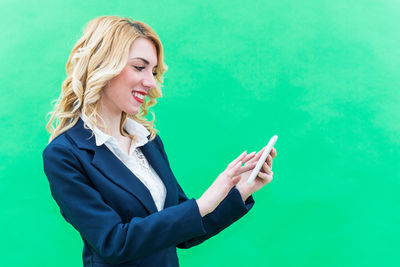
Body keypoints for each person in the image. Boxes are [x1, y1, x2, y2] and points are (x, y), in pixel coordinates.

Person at [43, 15, 277, 267]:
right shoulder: (64, 154)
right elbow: (112, 242)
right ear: (103, 64)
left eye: (153, 71)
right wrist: (203, 203)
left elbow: (184, 230)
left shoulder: (148, 142)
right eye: (139, 67)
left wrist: (240, 190)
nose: (150, 82)